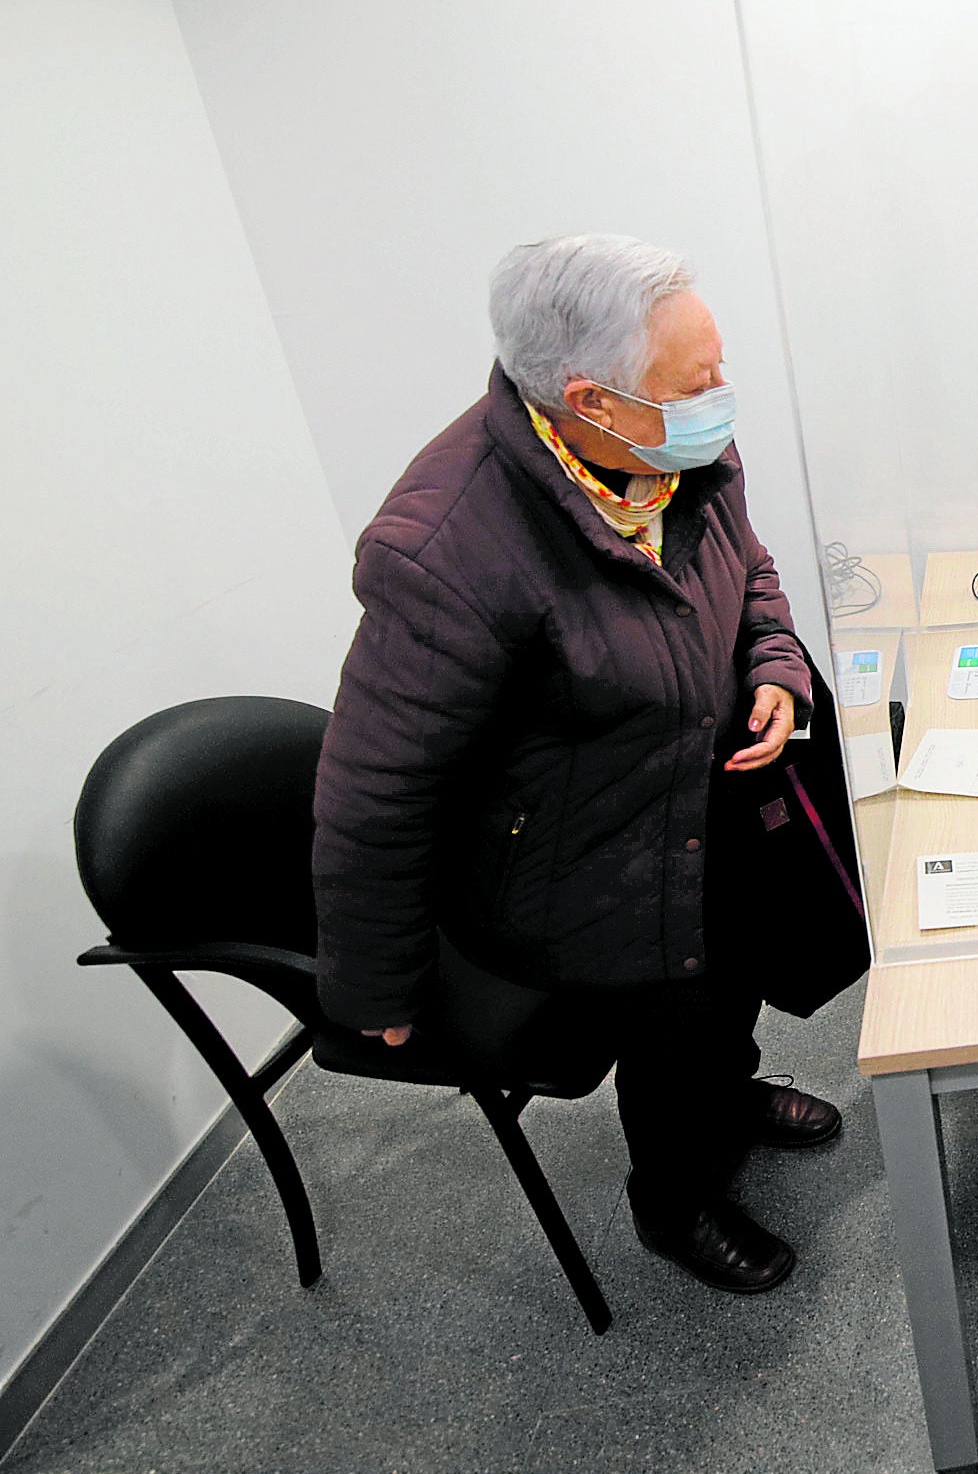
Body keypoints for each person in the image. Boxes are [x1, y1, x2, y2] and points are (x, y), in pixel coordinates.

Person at [313, 234, 843, 1298]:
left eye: (719, 367)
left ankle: (728, 1095)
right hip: (585, 859)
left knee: (727, 987)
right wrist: (373, 983)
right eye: (697, 382)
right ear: (592, 401)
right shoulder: (447, 548)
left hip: (699, 793)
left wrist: (776, 665)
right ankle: (675, 1198)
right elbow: (375, 787)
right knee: (671, 1023)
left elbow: (750, 569)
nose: (722, 398)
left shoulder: (673, 450)